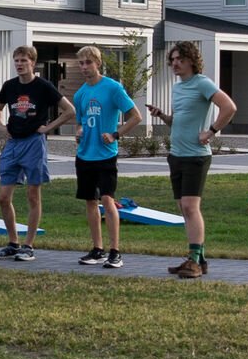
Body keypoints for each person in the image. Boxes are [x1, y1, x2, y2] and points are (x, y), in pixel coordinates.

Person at [146, 40, 237, 279]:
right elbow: (177, 121)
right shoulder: (178, 88)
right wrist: (162, 115)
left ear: (191, 61)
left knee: (190, 206)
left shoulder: (202, 83)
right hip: (176, 154)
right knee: (182, 208)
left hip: (196, 156)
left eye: (180, 59)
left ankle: (194, 261)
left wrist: (211, 131)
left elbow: (229, 107)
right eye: (173, 60)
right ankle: (199, 259)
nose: (175, 64)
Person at [0, 46, 74, 260]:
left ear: (32, 62)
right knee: (3, 196)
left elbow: (70, 110)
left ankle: (28, 245)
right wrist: (2, 127)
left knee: (32, 195)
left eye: (23, 61)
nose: (19, 64)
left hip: (34, 144)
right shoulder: (9, 86)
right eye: (16, 60)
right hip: (13, 144)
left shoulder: (43, 86)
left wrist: (48, 127)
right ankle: (12, 242)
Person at [70, 44, 141, 269]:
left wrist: (115, 134)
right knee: (90, 201)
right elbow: (80, 122)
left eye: (88, 62)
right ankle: (97, 249)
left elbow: (135, 116)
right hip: (85, 155)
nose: (84, 67)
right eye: (81, 63)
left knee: (107, 200)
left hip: (105, 156)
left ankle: (115, 251)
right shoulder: (80, 93)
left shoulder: (112, 88)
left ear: (98, 63)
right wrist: (79, 132)